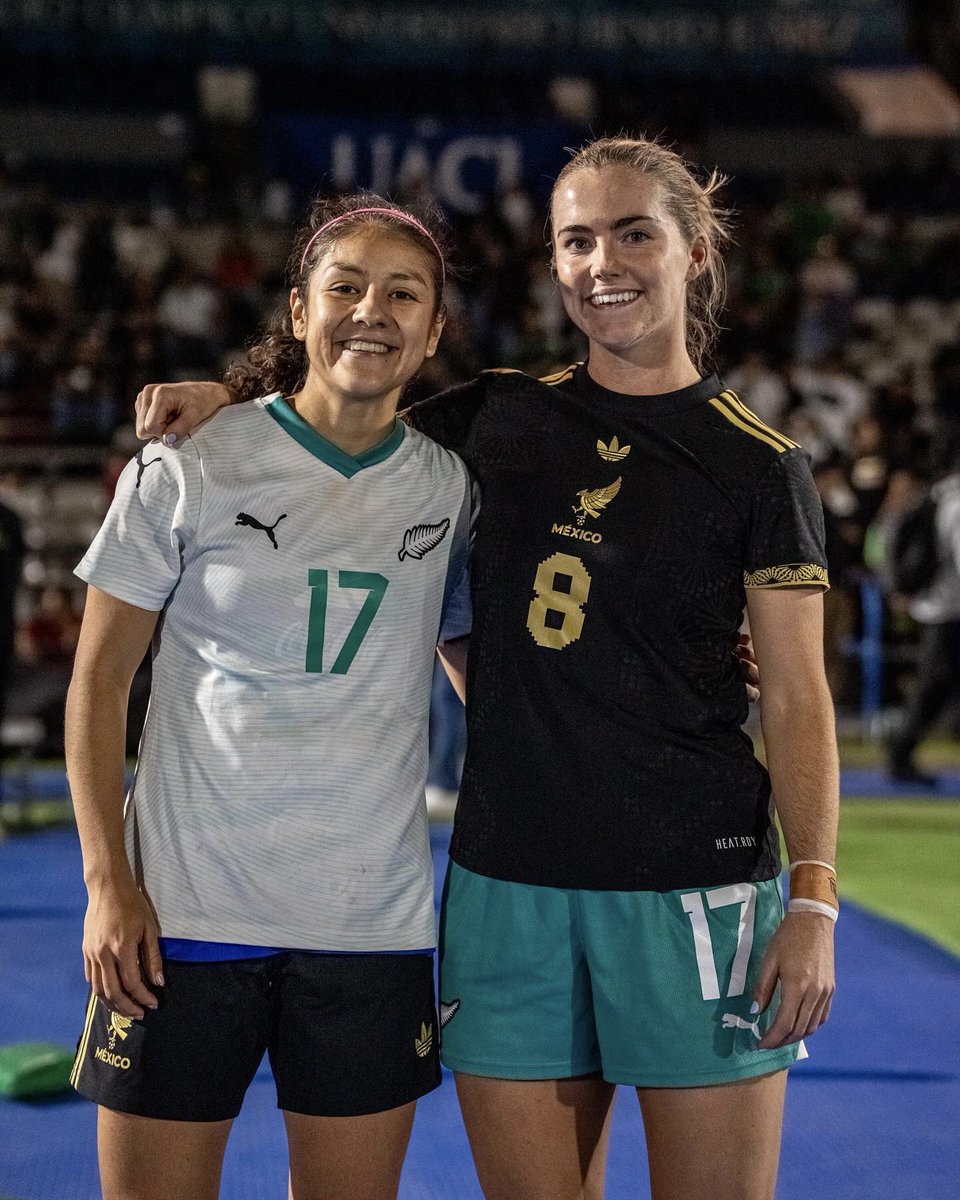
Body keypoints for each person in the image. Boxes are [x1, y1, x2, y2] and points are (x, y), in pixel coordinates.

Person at [136, 135, 839, 1200]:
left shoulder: (758, 463)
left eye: (634, 234)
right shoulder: (497, 418)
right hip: (507, 882)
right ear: (554, 265)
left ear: (695, 251)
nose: (604, 261)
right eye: (577, 240)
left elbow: (795, 695)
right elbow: (337, 411)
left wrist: (814, 901)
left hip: (694, 884)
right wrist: (227, 398)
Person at [66, 195, 476, 1200]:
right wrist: (108, 884)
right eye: (345, 287)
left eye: (401, 293)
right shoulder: (189, 460)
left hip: (367, 929)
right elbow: (99, 681)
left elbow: (502, 684)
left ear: (435, 329)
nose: (370, 311)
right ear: (299, 311)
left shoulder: (452, 490)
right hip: (181, 916)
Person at [886, 458, 960, 785]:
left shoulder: (938, 496)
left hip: (937, 605)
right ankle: (900, 755)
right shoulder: (955, 502)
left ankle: (901, 754)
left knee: (936, 686)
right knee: (932, 686)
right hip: (947, 608)